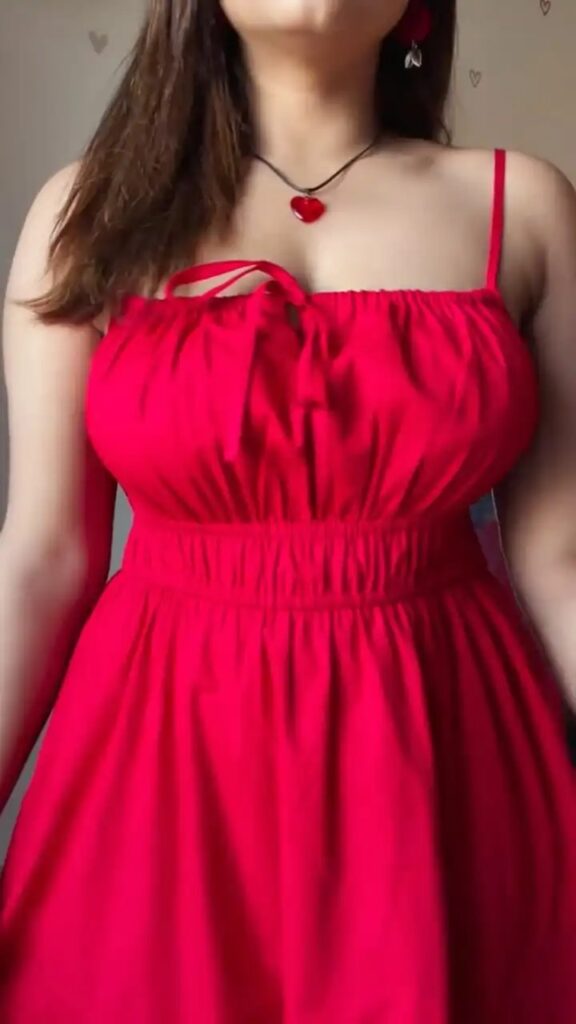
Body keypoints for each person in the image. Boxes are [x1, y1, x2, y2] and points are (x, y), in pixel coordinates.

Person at [1, 0, 576, 1020]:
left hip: (447, 769)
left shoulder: (523, 206)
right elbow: (42, 560)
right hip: (160, 768)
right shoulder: (85, 211)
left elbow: (562, 557)